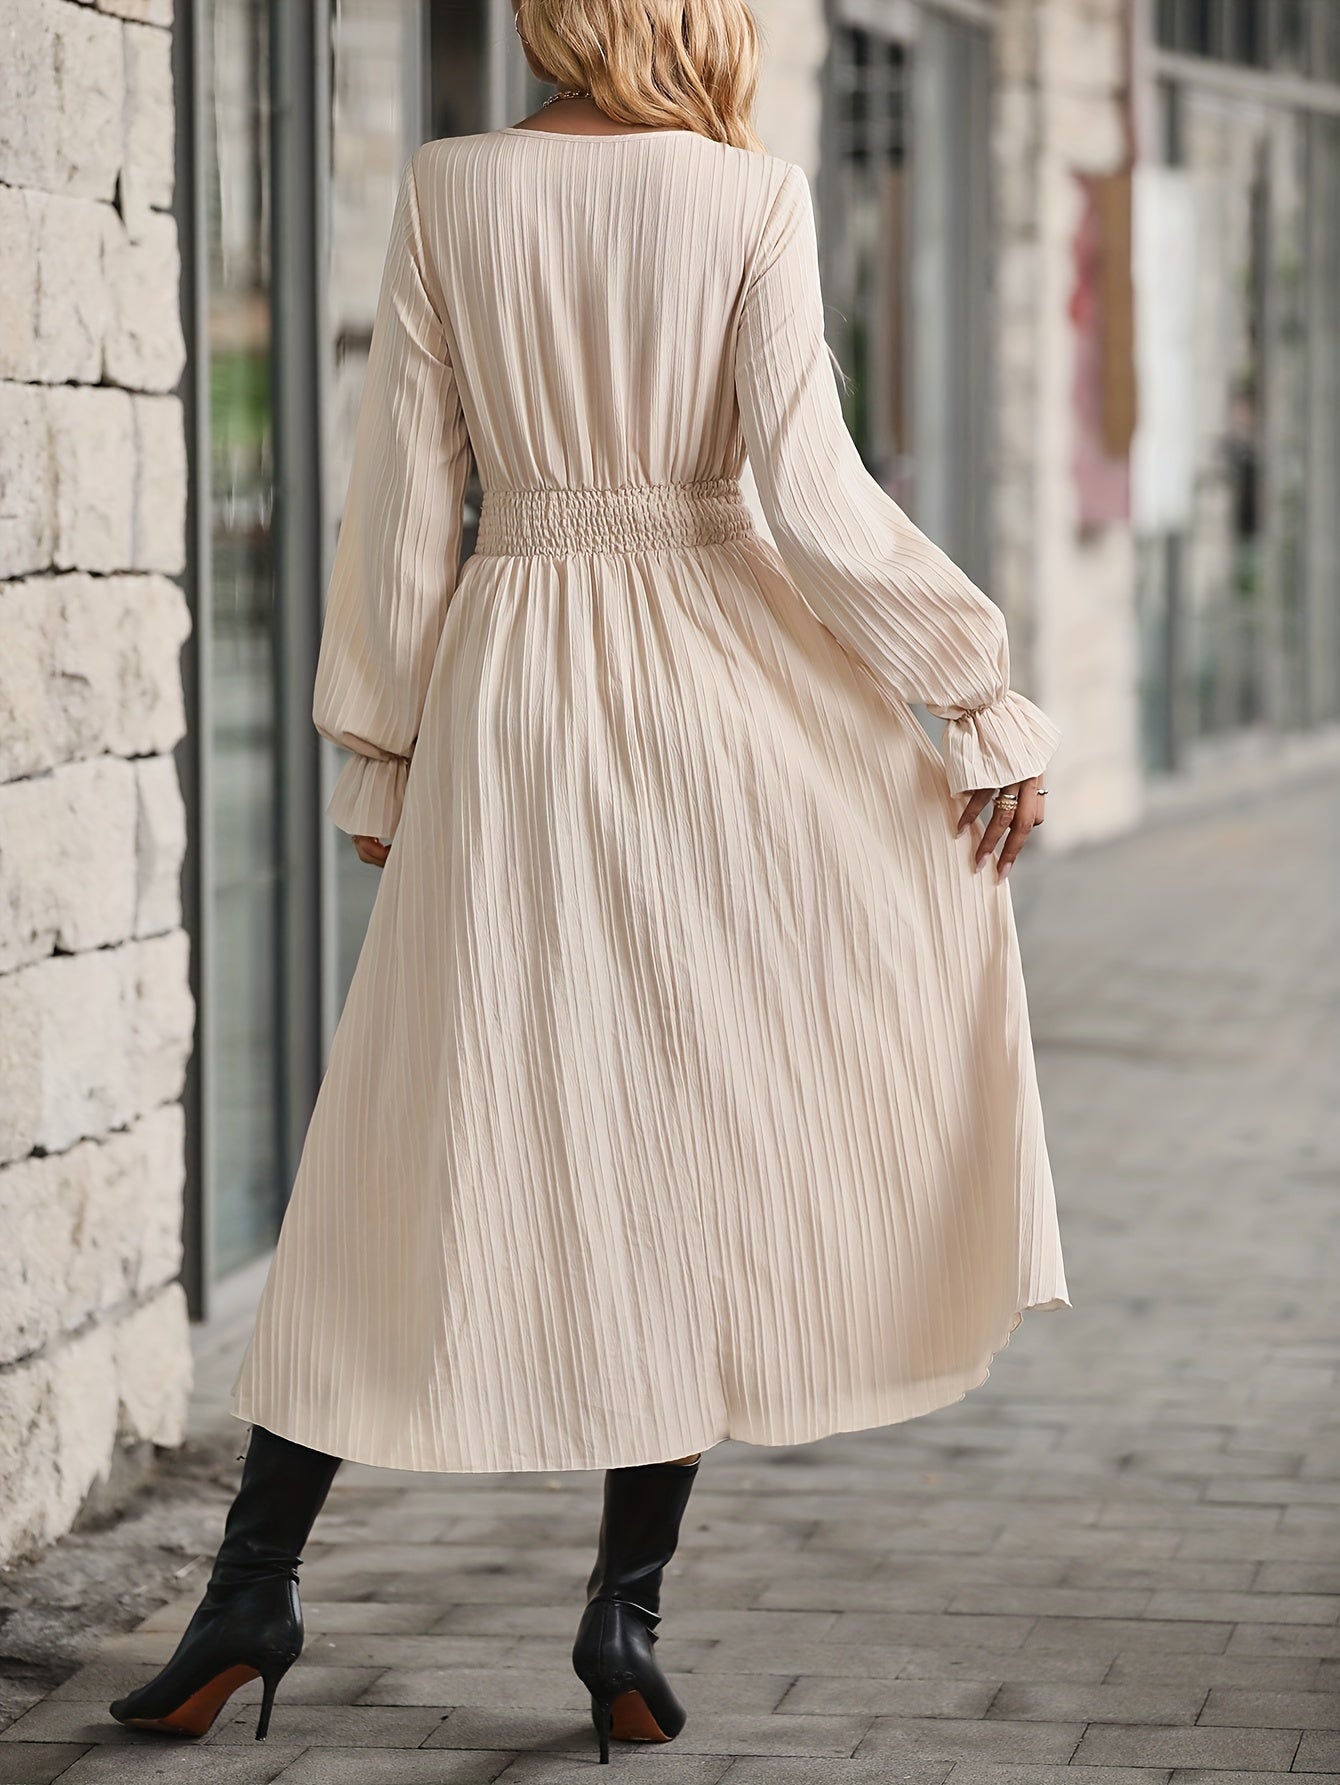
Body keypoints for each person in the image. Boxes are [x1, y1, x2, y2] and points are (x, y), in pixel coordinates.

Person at [110, 0, 1070, 1762]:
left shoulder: (450, 187)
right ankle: (624, 1610)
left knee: (402, 1127)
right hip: (727, 690)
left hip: (516, 688)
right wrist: (974, 686)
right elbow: (811, 490)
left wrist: (377, 745)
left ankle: (253, 1584)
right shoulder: (750, 195)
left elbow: (405, 489)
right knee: (689, 1137)